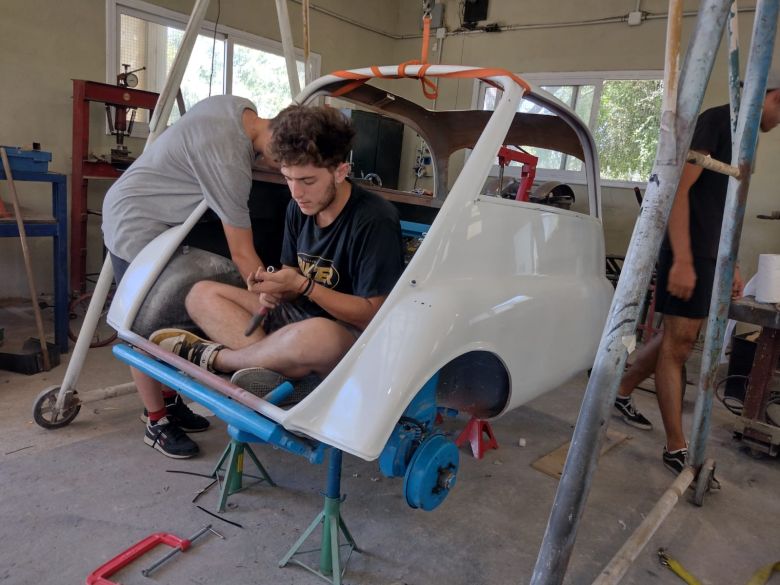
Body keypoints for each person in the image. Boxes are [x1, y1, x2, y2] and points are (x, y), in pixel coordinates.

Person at [150, 104, 405, 399]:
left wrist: (304, 286)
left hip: (343, 335)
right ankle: (272, 371)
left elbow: (371, 316)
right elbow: (292, 275)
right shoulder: (299, 208)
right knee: (201, 295)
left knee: (317, 335)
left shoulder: (375, 219)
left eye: (308, 181)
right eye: (288, 178)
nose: (296, 193)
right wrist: (279, 287)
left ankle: (221, 361)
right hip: (296, 321)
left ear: (340, 171)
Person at [613, 71, 780, 473]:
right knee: (680, 346)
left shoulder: (745, 135)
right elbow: (678, 191)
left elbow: (724, 204)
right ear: (772, 95)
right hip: (686, 251)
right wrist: (684, 260)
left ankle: (619, 389)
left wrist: (731, 262)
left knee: (679, 336)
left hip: (709, 254)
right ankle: (676, 446)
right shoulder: (717, 120)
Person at [102, 94, 277, 458]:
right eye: (290, 169)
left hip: (163, 218)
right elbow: (243, 254)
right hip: (135, 222)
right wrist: (268, 292)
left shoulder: (238, 106)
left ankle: (170, 403)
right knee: (143, 322)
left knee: (164, 314)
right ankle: (155, 421)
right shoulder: (229, 163)